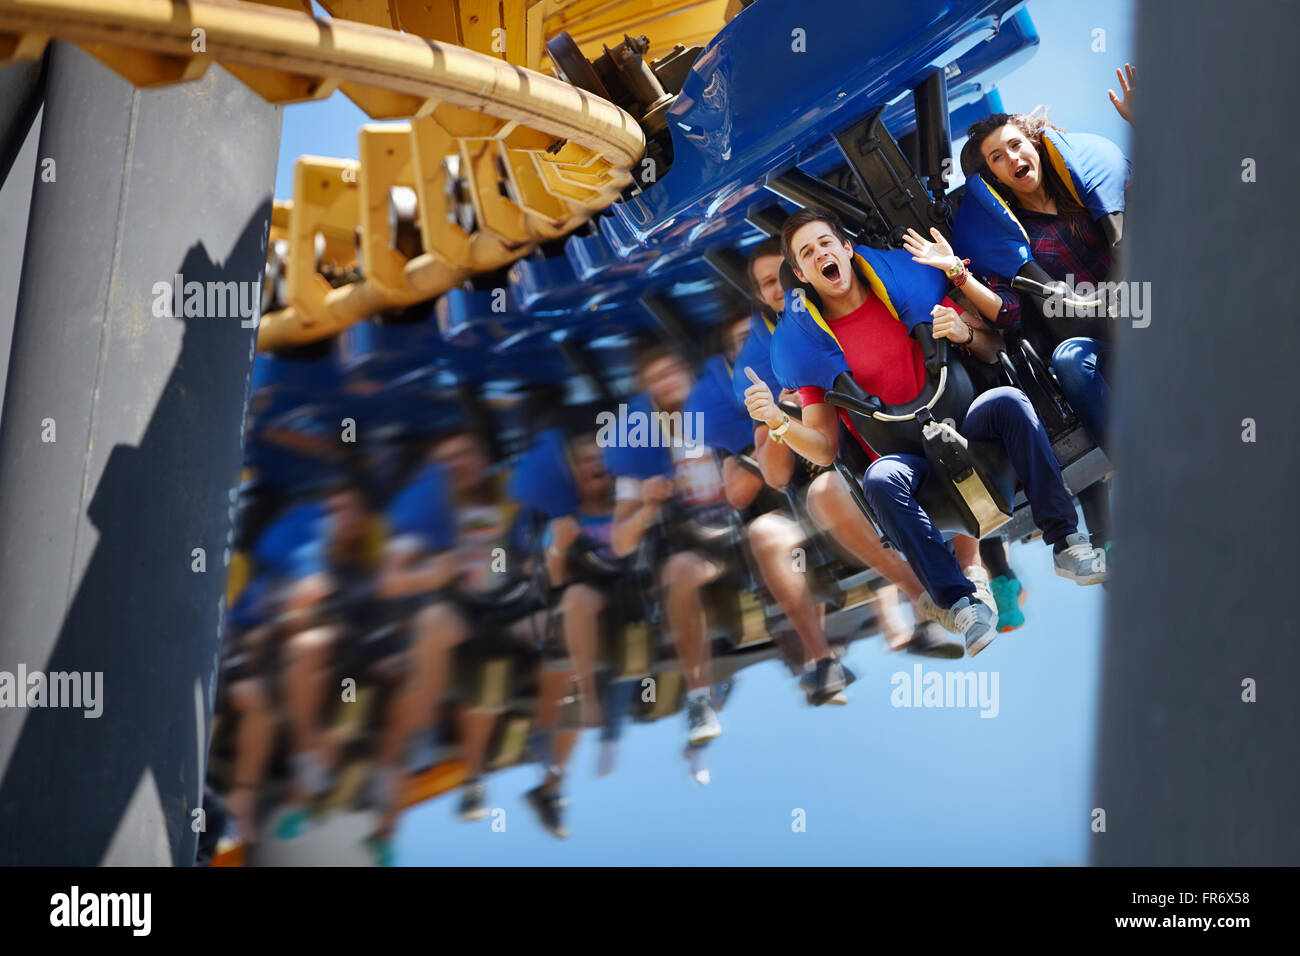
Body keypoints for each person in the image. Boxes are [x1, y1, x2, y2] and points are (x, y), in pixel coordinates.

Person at [747, 207, 1107, 655]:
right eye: (807, 252)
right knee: (879, 478)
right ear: (801, 273)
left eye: (825, 242)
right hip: (912, 464)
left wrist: (963, 333)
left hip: (972, 429)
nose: (820, 253)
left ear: (846, 248)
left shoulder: (910, 287)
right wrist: (780, 423)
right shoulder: (810, 349)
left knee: (1011, 403)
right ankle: (961, 604)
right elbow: (823, 451)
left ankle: (1068, 543)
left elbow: (994, 348)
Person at [736, 238, 965, 658]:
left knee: (945, 437)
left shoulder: (861, 311)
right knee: (832, 490)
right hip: (846, 475)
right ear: (762, 295)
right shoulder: (771, 359)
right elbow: (775, 475)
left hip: (903, 439)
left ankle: (975, 575)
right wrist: (779, 415)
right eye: (771, 282)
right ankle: (925, 597)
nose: (782, 289)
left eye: (785, 276)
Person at [608, 345, 729, 745]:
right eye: (657, 377)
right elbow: (621, 542)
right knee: (678, 571)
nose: (669, 381)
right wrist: (647, 505)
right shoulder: (642, 450)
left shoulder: (722, 413)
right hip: (698, 545)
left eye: (674, 370)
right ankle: (699, 698)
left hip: (743, 527)